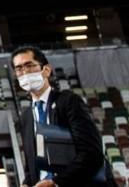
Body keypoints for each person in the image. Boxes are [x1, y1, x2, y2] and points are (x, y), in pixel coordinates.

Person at [12, 45, 114, 187]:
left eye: (29, 66)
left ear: (46, 70)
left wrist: (56, 182)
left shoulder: (68, 102)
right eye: (19, 69)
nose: (24, 72)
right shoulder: (26, 117)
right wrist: (27, 183)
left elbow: (91, 152)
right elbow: (32, 165)